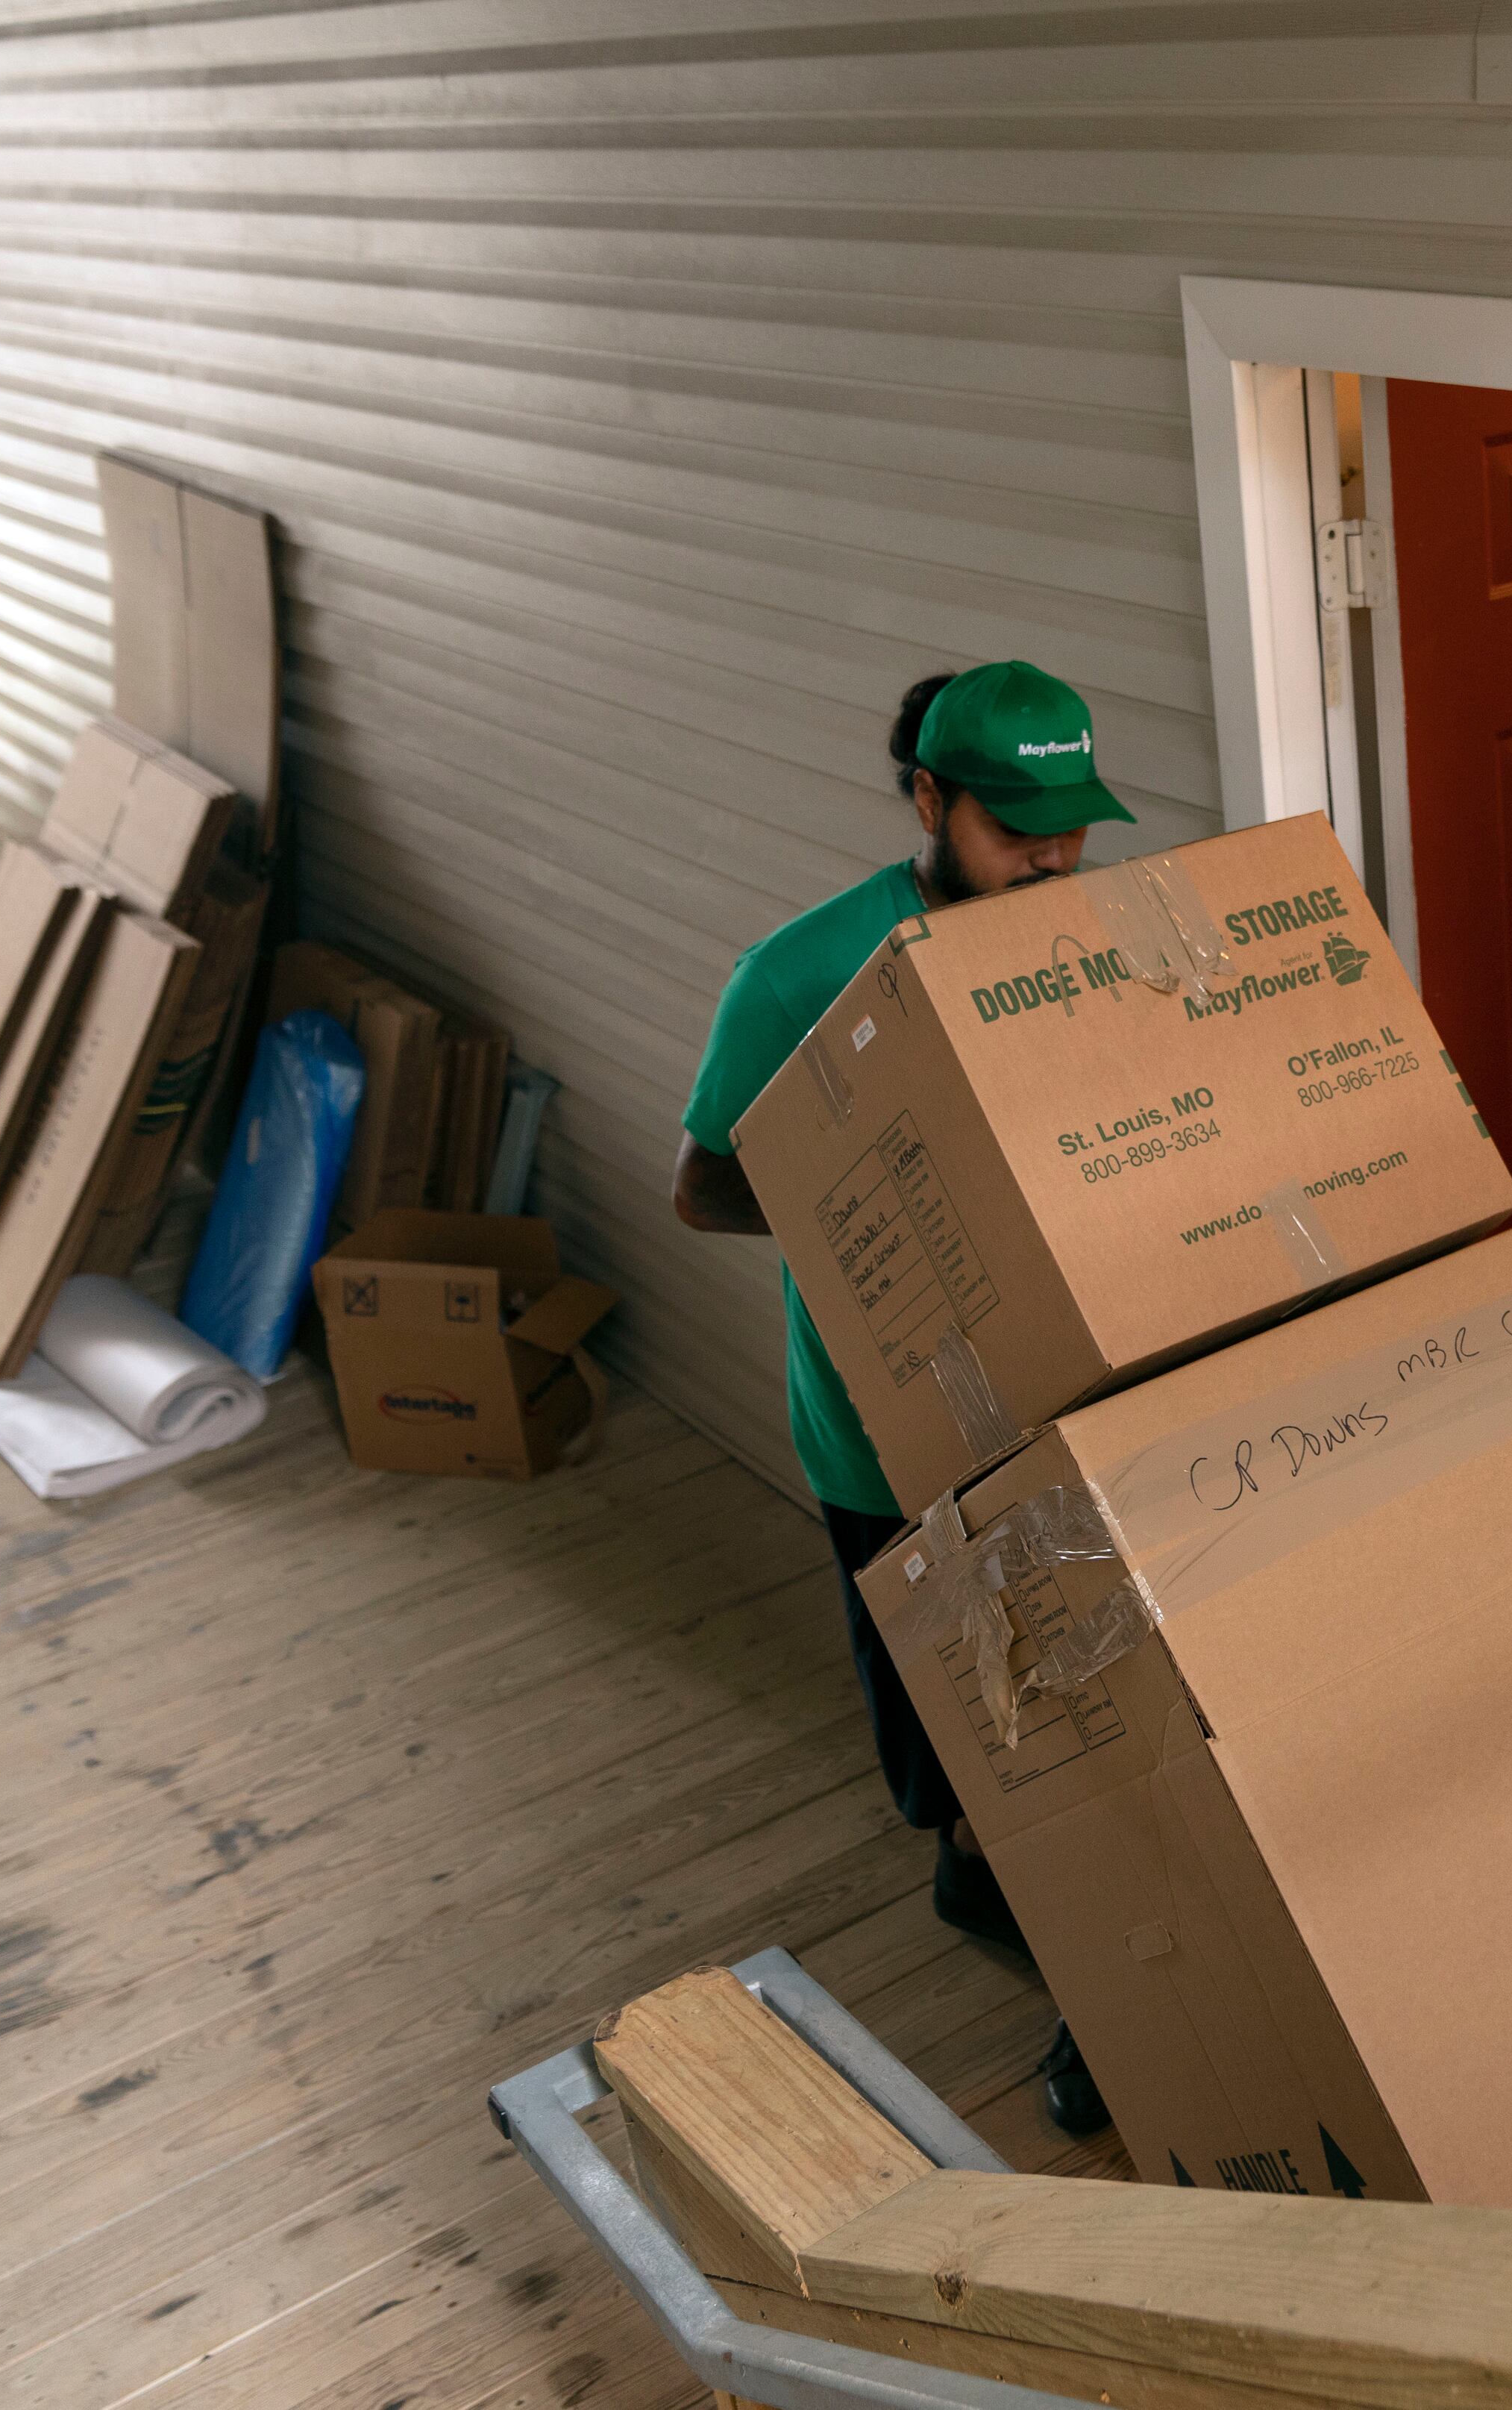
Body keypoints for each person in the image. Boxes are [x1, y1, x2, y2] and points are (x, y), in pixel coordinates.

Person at [673, 659, 1126, 2138]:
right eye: (1015, 829)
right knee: (943, 1704)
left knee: (1066, 1676)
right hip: (882, 1423)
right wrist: (867, 1212)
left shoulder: (1077, 936)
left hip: (1049, 1390)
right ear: (926, 801)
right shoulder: (803, 975)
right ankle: (970, 1865)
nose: (1052, 860)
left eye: (1071, 826)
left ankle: (1045, 1881)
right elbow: (701, 1189)